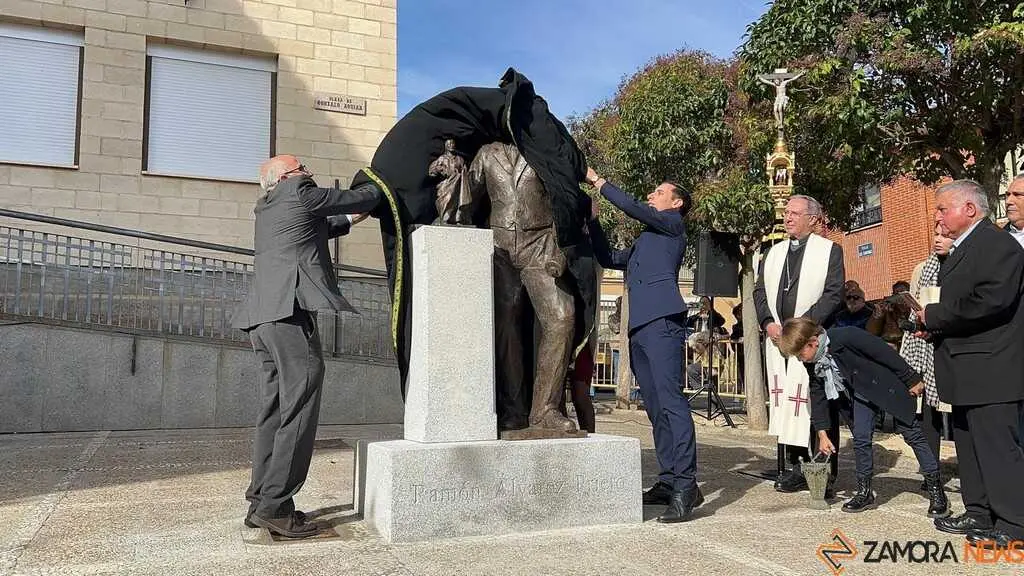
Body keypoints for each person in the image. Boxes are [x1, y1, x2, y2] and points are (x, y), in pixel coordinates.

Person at [231, 155, 377, 538]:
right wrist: (380, 189)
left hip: (262, 319)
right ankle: (277, 508)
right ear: (286, 177)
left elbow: (323, 225)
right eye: (302, 167)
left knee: (276, 412)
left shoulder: (269, 206)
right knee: (299, 409)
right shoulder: (298, 190)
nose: (308, 172)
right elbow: (356, 198)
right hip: (288, 314)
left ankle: (260, 501)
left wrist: (353, 215)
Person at [584, 166, 701, 523]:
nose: (652, 195)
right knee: (654, 407)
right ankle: (668, 480)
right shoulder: (647, 237)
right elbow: (611, 258)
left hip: (663, 322)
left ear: (676, 202)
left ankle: (686, 486)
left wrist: (600, 182)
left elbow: (635, 207)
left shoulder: (673, 225)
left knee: (671, 403)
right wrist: (593, 222)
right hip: (640, 327)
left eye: (658, 191)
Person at [917, 180, 1024, 547]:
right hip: (964, 367)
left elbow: (991, 302)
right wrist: (931, 327)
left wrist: (935, 316)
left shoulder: (997, 245)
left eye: (943, 209)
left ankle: (1013, 523)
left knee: (997, 448)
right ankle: (979, 511)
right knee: (969, 446)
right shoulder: (964, 248)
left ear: (970, 209)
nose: (938, 217)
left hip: (991, 368)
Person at [776, 317, 949, 516]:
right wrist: (822, 433)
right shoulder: (815, 360)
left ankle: (936, 491)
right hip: (861, 393)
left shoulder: (846, 336)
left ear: (812, 342)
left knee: (912, 435)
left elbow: (883, 352)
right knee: (861, 438)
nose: (800, 359)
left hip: (886, 385)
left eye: (800, 353)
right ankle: (864, 492)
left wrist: (911, 379)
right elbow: (818, 394)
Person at [753, 195, 845, 492]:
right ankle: (796, 466)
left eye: (794, 213)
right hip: (778, 340)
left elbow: (833, 294)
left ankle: (823, 472)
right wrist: (768, 322)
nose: (787, 217)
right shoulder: (773, 254)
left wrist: (801, 327)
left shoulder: (830, 251)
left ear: (813, 219)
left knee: (817, 404)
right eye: (786, 213)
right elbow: (759, 292)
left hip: (811, 340)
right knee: (789, 406)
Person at [900, 227, 954, 479]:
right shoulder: (923, 269)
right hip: (924, 346)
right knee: (927, 413)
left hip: (952, 345)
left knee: (959, 415)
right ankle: (930, 471)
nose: (938, 239)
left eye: (944, 235)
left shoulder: (961, 265)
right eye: (935, 235)